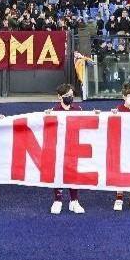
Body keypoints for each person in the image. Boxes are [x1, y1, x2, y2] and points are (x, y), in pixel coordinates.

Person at [46, 84, 84, 214]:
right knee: (58, 173)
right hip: (58, 148)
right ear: (59, 97)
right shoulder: (53, 111)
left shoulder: (78, 109)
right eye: (67, 95)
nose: (70, 97)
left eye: (71, 95)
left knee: (73, 173)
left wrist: (97, 116)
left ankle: (74, 201)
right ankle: (58, 200)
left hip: (73, 147)